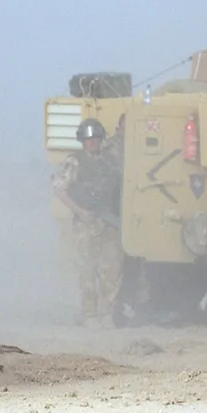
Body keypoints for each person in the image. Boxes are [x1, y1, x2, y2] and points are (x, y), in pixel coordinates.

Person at [55, 118, 125, 327]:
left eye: (95, 137)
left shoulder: (112, 160)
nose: (92, 141)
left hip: (110, 223)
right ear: (82, 141)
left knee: (111, 271)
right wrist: (79, 211)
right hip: (87, 223)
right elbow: (59, 189)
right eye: (87, 138)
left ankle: (107, 314)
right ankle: (90, 315)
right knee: (86, 271)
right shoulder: (75, 162)